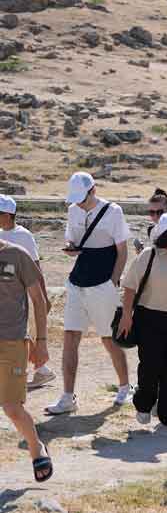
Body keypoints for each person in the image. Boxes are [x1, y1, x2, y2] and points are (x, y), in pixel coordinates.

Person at [46, 172, 131, 416]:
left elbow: (122, 251)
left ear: (93, 190)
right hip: (77, 281)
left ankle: (125, 387)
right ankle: (67, 396)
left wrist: (112, 282)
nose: (79, 203)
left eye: (82, 198)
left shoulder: (113, 211)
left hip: (102, 283)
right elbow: (73, 242)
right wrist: (71, 249)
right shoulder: (73, 210)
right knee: (70, 336)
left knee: (109, 338)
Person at [118, 213, 167, 428]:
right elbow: (130, 286)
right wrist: (126, 316)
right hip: (149, 317)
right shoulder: (148, 255)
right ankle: (144, 404)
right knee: (150, 365)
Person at [1, 233, 53, 482]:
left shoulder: (17, 255)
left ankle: (36, 447)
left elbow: (39, 301)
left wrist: (41, 341)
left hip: (12, 342)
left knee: (12, 408)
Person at [0, 195, 53, 389]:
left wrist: (43, 297)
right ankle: (40, 370)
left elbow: (35, 267)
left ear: (7, 215)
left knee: (28, 330)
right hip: (9, 293)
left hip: (26, 293)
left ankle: (40, 370)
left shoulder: (23, 236)